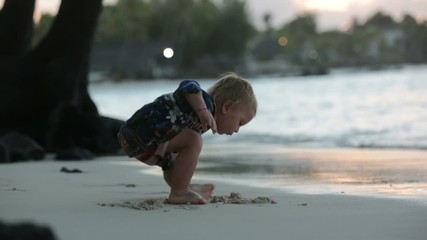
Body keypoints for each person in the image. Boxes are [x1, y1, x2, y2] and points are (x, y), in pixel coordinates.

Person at [117, 72, 257, 204]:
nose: (237, 129)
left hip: (140, 140)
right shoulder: (205, 104)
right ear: (227, 107)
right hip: (145, 133)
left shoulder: (203, 121)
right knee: (194, 140)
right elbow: (189, 85)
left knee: (177, 158)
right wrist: (202, 110)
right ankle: (179, 192)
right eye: (240, 122)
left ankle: (183, 186)